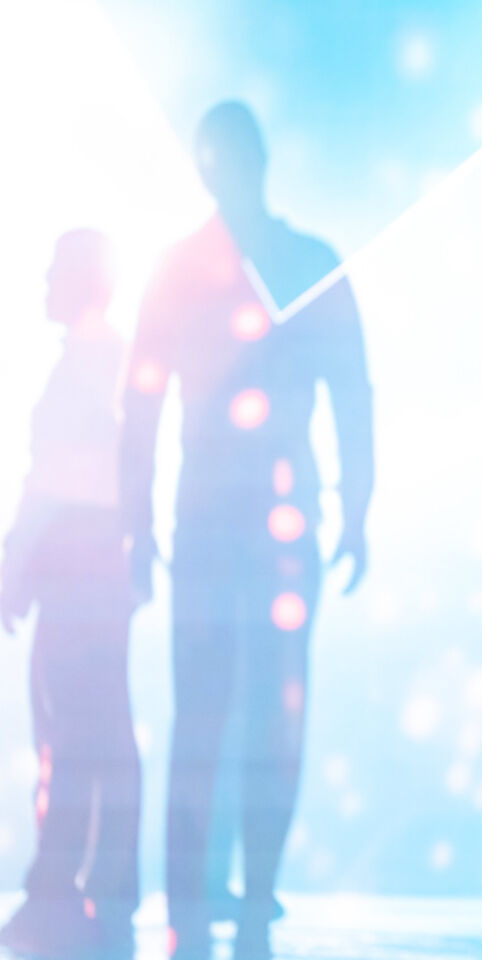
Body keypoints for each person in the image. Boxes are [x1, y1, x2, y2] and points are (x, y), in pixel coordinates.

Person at [120, 101, 374, 959]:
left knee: (241, 711)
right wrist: (355, 507)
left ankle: (221, 890)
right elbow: (351, 393)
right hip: (248, 523)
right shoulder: (297, 263)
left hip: (240, 522)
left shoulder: (221, 268)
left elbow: (143, 405)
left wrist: (358, 505)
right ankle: (223, 890)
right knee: (251, 711)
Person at [0, 230, 140, 958]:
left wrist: (15, 562)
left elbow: (52, 481)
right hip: (92, 560)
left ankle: (63, 879)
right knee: (96, 719)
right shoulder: (105, 358)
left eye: (54, 272)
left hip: (77, 562)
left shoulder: (89, 363)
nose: (43, 284)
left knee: (75, 723)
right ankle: (102, 875)